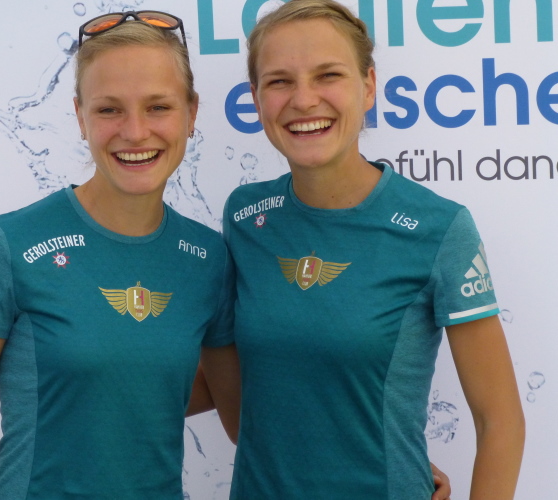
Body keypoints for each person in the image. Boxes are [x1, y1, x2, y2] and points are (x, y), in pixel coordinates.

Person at [213, 0, 526, 498]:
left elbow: (500, 420)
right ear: (256, 98)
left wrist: (394, 456)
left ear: (368, 87)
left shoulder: (439, 228)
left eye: (328, 75)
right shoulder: (245, 216)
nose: (304, 99)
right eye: (279, 81)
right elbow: (244, 404)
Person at [0, 11, 239, 499]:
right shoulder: (11, 244)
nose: (135, 131)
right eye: (109, 109)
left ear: (191, 113)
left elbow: (231, 407)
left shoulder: (208, 258)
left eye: (158, 106)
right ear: (79, 116)